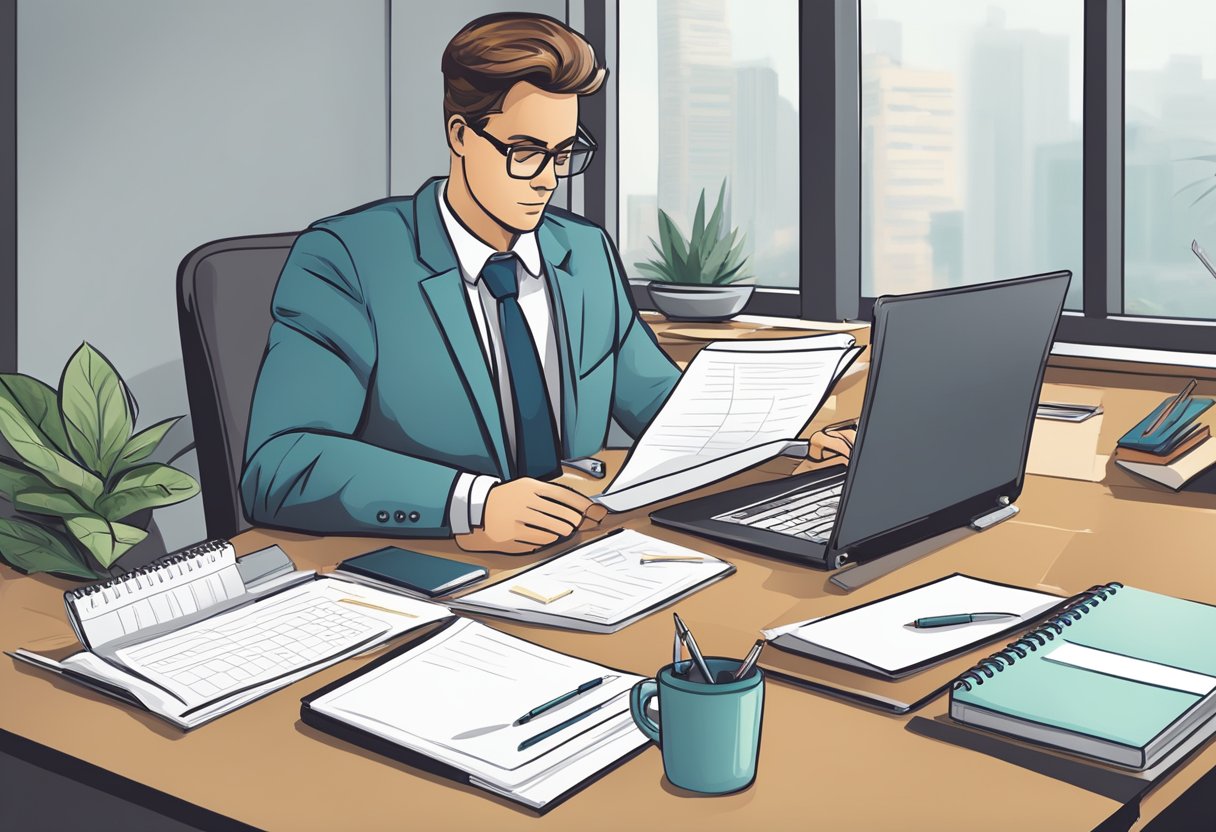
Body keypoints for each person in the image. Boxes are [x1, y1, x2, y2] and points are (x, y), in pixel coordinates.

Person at [240, 12, 853, 556]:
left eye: (564, 153)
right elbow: (281, 464)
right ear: (460, 136)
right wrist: (474, 502)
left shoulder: (582, 253)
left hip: (577, 551)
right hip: (432, 564)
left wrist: (785, 447)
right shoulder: (348, 258)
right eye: (526, 151)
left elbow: (664, 411)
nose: (548, 179)